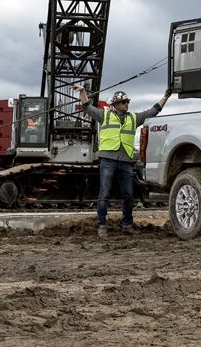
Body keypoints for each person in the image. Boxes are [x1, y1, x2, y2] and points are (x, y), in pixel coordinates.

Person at [72, 85, 171, 238]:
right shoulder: (104, 115)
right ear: (115, 105)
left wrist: (165, 97)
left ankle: (127, 225)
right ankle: (102, 225)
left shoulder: (133, 118)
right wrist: (83, 92)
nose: (126, 104)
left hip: (126, 161)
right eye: (123, 102)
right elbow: (87, 107)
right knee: (104, 194)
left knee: (128, 195)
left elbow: (153, 111)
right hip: (108, 160)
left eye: (127, 102)